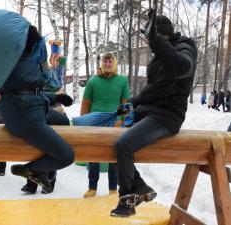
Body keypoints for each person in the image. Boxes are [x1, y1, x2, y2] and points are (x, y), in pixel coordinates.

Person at [110, 10, 197, 217]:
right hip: (149, 111)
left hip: (167, 116)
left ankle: (127, 197)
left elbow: (181, 67)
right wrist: (130, 104)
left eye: (150, 39)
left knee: (123, 145)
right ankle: (139, 186)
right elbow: (154, 89)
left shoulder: (185, 47)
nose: (149, 44)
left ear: (161, 35)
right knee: (109, 135)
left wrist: (156, 39)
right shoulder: (160, 56)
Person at [0, 25, 75, 193]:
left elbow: (31, 93)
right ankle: (32, 170)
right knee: (67, 156)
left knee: (62, 120)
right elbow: (26, 93)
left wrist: (56, 98)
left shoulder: (21, 60)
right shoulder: (22, 64)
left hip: (32, 110)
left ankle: (47, 173)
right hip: (25, 117)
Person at [80, 52, 130, 198]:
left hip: (114, 123)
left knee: (114, 156)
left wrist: (121, 120)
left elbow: (125, 103)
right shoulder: (93, 81)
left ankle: (113, 188)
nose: (107, 64)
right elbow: (86, 104)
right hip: (95, 124)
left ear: (114, 64)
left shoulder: (122, 81)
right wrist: (84, 123)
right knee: (93, 155)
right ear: (102, 63)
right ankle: (92, 187)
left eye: (110, 61)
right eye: (105, 61)